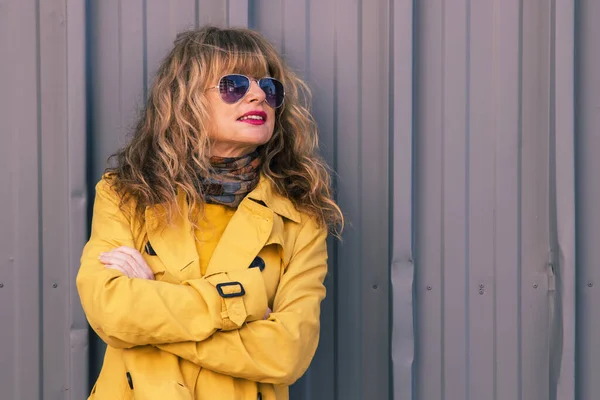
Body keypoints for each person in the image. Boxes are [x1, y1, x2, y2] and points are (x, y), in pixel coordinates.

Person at [76, 26, 343, 400]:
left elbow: (286, 354)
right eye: (234, 85)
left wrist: (154, 305)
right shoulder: (126, 194)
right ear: (185, 100)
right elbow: (109, 311)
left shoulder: (300, 216)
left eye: (269, 88)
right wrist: (243, 304)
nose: (257, 96)